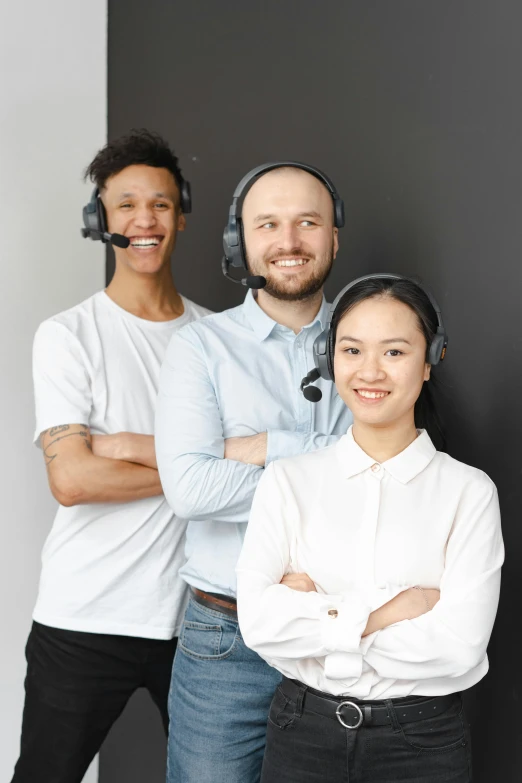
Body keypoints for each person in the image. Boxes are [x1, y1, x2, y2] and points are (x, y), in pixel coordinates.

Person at [236, 273, 504, 783]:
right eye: (352, 350)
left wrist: (317, 618)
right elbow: (260, 625)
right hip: (302, 734)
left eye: (395, 352)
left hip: (421, 743)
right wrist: (388, 614)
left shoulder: (469, 492)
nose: (370, 371)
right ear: (328, 359)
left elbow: (458, 646)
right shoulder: (288, 480)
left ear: (430, 360)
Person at [11, 129, 212, 783]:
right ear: (101, 221)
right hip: (85, 616)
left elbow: (253, 468)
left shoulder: (218, 339)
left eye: (159, 204)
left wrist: (127, 447)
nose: (143, 220)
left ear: (181, 214)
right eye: (125, 205)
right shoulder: (69, 335)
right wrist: (196, 465)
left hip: (196, 623)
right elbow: (71, 477)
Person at [155, 162, 352, 782]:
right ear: (240, 240)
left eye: (307, 223)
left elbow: (382, 478)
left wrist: (262, 445)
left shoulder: (371, 338)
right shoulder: (199, 347)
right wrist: (321, 455)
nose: (289, 241)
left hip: (341, 633)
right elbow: (189, 488)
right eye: (268, 224)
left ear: (333, 237)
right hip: (227, 641)